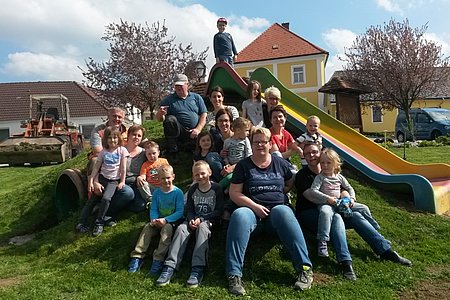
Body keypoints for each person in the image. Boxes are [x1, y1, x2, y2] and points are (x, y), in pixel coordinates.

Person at [225, 127, 313, 296]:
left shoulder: (280, 163)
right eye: (256, 142)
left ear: (270, 143)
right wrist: (255, 207)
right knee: (239, 215)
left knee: (284, 211)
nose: (260, 145)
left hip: (276, 215)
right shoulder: (244, 165)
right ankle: (234, 274)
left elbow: (289, 181)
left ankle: (304, 269)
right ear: (252, 143)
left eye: (263, 142)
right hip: (251, 213)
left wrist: (282, 193)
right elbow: (234, 193)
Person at [295, 142, 412, 269]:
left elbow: (342, 189)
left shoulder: (332, 173)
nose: (312, 155)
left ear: (320, 153)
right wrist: (334, 200)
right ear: (304, 157)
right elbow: (311, 196)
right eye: (307, 153)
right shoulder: (303, 175)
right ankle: (345, 261)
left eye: (314, 152)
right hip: (311, 213)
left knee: (356, 215)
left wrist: (346, 197)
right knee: (337, 218)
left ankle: (385, 250)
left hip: (335, 207)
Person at [156, 161, 224, 288]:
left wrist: (202, 219)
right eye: (197, 174)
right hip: (193, 220)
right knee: (181, 228)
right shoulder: (193, 189)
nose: (200, 176)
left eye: (203, 173)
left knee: (203, 228)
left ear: (209, 173)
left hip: (209, 221)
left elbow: (219, 210)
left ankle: (197, 268)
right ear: (193, 176)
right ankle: (170, 266)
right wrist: (191, 218)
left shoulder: (216, 188)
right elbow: (189, 209)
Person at [309, 148, 378, 257]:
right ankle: (323, 241)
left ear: (336, 164)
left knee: (363, 208)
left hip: (341, 203)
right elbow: (313, 191)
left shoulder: (339, 177)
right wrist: (327, 198)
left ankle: (374, 228)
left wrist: (352, 199)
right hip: (326, 204)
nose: (325, 165)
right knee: (325, 213)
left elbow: (350, 188)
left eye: (328, 163)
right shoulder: (320, 178)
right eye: (322, 163)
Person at [127, 164, 185, 275]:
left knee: (166, 231)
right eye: (163, 178)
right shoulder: (157, 193)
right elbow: (153, 209)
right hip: (158, 221)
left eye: (168, 177)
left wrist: (166, 220)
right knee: (147, 228)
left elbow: (179, 212)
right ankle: (137, 256)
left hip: (171, 222)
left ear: (173, 176)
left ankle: (158, 259)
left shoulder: (178, 193)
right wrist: (154, 219)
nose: (166, 180)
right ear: (158, 179)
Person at [76, 126, 129, 236]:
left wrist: (122, 181)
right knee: (92, 200)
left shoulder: (122, 150)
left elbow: (123, 168)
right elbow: (96, 167)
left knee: (105, 199)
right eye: (109, 138)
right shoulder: (103, 152)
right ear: (105, 139)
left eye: (115, 137)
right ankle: (81, 223)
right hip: (102, 178)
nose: (112, 140)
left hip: (113, 181)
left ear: (118, 138)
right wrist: (92, 181)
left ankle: (99, 222)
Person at [156, 74, 207, 154]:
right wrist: (160, 113)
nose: (178, 88)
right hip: (178, 132)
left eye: (181, 85)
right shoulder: (168, 100)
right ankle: (173, 149)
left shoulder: (196, 98)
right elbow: (159, 119)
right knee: (170, 120)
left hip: (193, 132)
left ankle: (188, 147)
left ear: (187, 85)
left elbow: (203, 114)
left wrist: (198, 129)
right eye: (176, 86)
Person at [220, 117, 252, 188]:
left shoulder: (246, 140)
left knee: (229, 178)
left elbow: (249, 155)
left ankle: (218, 189)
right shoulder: (227, 141)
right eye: (246, 130)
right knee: (227, 176)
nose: (248, 133)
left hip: (242, 166)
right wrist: (227, 164)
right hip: (230, 165)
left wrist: (234, 167)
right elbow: (225, 155)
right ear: (238, 130)